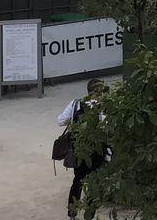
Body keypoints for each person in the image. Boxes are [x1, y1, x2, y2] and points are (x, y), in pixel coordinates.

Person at [57, 78, 109, 218]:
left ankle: (72, 213)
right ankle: (89, 214)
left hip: (79, 149)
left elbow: (60, 120)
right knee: (95, 182)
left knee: (78, 181)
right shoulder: (104, 107)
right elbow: (107, 127)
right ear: (97, 92)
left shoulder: (76, 104)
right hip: (98, 150)